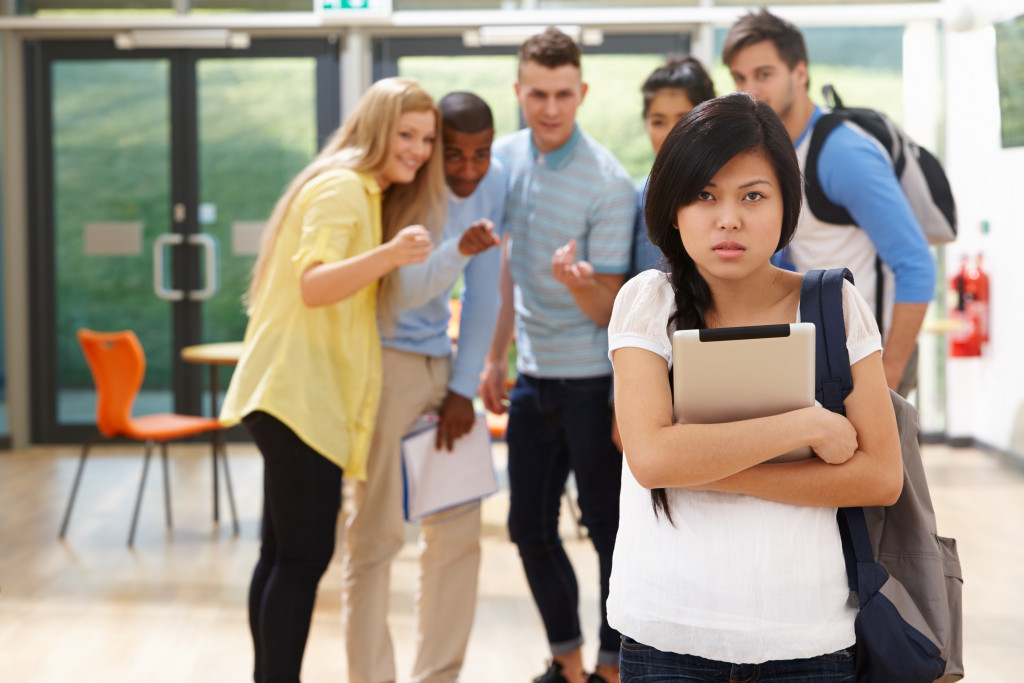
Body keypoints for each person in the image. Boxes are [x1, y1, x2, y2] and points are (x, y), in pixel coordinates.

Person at [607, 92, 903, 682]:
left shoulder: (833, 305)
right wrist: (804, 426)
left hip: (808, 635)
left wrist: (705, 466)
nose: (729, 220)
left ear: (785, 206)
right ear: (672, 209)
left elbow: (880, 477)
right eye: (704, 196)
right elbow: (652, 456)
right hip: (669, 632)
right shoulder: (648, 301)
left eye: (753, 196)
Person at [218, 77, 446, 683]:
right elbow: (314, 283)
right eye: (407, 134)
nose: (419, 150)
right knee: (301, 558)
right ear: (376, 128)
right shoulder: (343, 189)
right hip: (300, 399)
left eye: (426, 139)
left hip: (292, 396)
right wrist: (392, 254)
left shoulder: (359, 192)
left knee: (281, 556)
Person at [479, 26, 637, 683]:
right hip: (532, 379)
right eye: (537, 94)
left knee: (608, 531)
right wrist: (494, 358)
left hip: (594, 380)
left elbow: (612, 308)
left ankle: (611, 667)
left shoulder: (608, 180)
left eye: (562, 94)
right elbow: (505, 270)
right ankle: (568, 664)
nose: (549, 108)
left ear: (582, 93)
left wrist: (582, 285)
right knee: (528, 527)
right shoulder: (505, 161)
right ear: (518, 91)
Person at [341, 91, 505, 683]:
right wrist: (458, 249)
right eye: (452, 154)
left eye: (480, 154)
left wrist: (464, 384)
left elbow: (486, 289)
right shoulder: (406, 187)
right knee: (376, 538)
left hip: (441, 365)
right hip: (385, 366)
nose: (466, 170)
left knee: (458, 535)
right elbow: (404, 290)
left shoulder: (496, 182)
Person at [722, 8, 937, 397]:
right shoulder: (772, 150)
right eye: (739, 77)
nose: (750, 89)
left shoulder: (843, 153)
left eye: (764, 74)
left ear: (799, 73)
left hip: (869, 356)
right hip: (819, 352)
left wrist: (888, 371)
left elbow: (916, 264)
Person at [628, 55, 716, 279]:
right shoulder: (638, 199)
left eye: (683, 119)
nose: (670, 134)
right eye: (658, 122)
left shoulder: (737, 190)